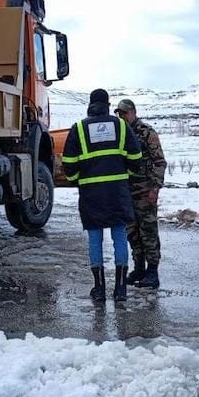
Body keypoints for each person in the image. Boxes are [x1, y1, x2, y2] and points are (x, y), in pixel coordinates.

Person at [62, 89, 142, 302]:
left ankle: (99, 288)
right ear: (107, 105)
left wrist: (79, 179)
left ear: (90, 104)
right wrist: (125, 176)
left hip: (91, 194)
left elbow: (68, 164)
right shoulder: (121, 126)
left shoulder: (79, 128)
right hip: (118, 192)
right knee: (120, 237)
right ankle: (121, 289)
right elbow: (136, 158)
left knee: (95, 239)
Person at [114, 99, 166, 289]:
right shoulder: (120, 133)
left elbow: (159, 162)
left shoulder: (146, 132)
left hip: (145, 191)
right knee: (132, 232)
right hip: (127, 191)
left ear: (133, 112)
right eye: (119, 114)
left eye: (124, 113)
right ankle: (139, 268)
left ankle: (152, 271)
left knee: (148, 231)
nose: (122, 117)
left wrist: (155, 188)